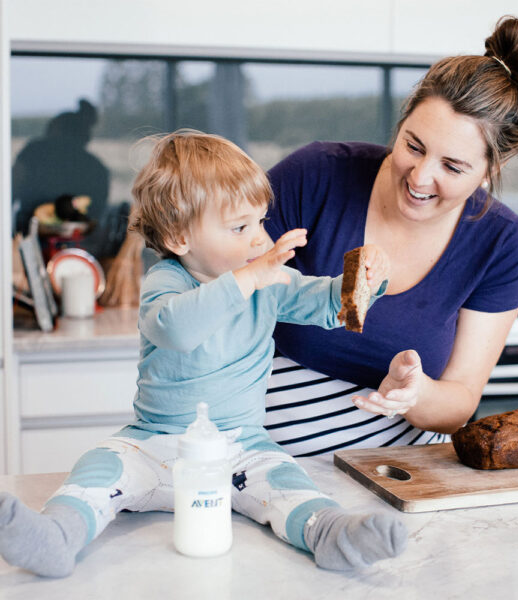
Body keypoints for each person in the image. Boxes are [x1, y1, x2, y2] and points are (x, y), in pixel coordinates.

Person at [0, 130, 405, 578]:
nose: (258, 240)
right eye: (239, 227)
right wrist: (250, 279)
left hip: (240, 447)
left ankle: (331, 533)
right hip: (152, 444)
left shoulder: (268, 279)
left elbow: (329, 305)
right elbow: (177, 328)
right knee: (98, 468)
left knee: (286, 480)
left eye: (260, 222)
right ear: (178, 237)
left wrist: (367, 278)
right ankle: (57, 536)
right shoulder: (168, 282)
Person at [263, 15, 518, 456]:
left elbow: (458, 403)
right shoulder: (315, 175)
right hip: (255, 461)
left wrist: (414, 392)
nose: (420, 176)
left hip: (401, 475)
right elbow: (225, 292)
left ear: (493, 169)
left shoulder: (500, 242)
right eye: (413, 145)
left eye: (452, 167)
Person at [11, 98, 144, 307]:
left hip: (42, 238)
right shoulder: (97, 168)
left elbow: (12, 191)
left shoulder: (33, 152)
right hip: (67, 241)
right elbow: (98, 212)